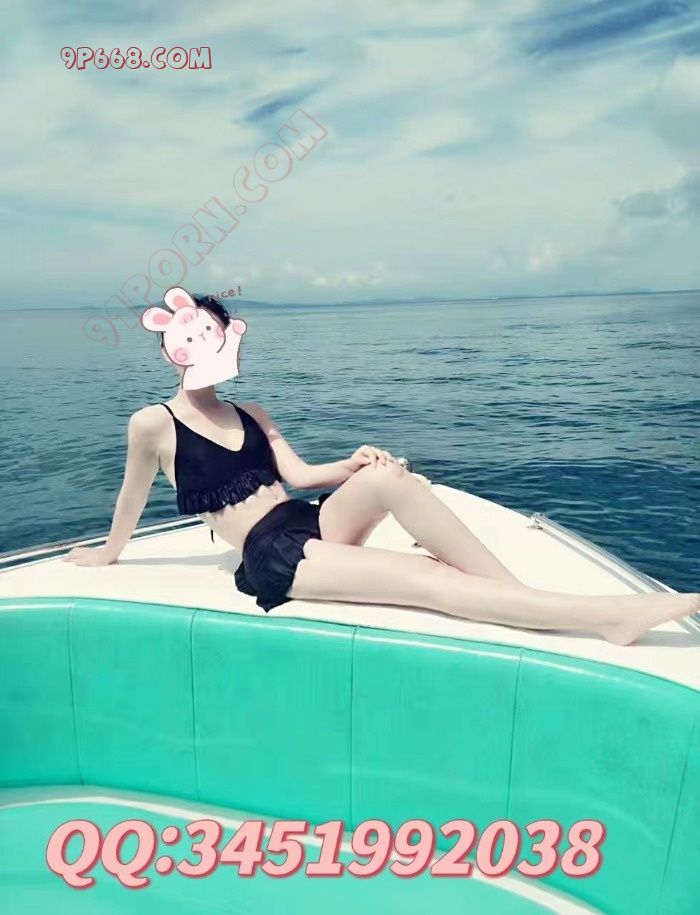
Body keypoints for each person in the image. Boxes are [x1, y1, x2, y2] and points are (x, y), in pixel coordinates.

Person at [66, 295, 698, 646]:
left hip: (306, 521)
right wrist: (108, 553)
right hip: (271, 555)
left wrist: (356, 463)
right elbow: (131, 496)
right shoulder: (152, 424)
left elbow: (301, 477)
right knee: (425, 575)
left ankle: (523, 603)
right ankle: (605, 617)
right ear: (173, 349)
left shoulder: (250, 411)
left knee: (394, 478)